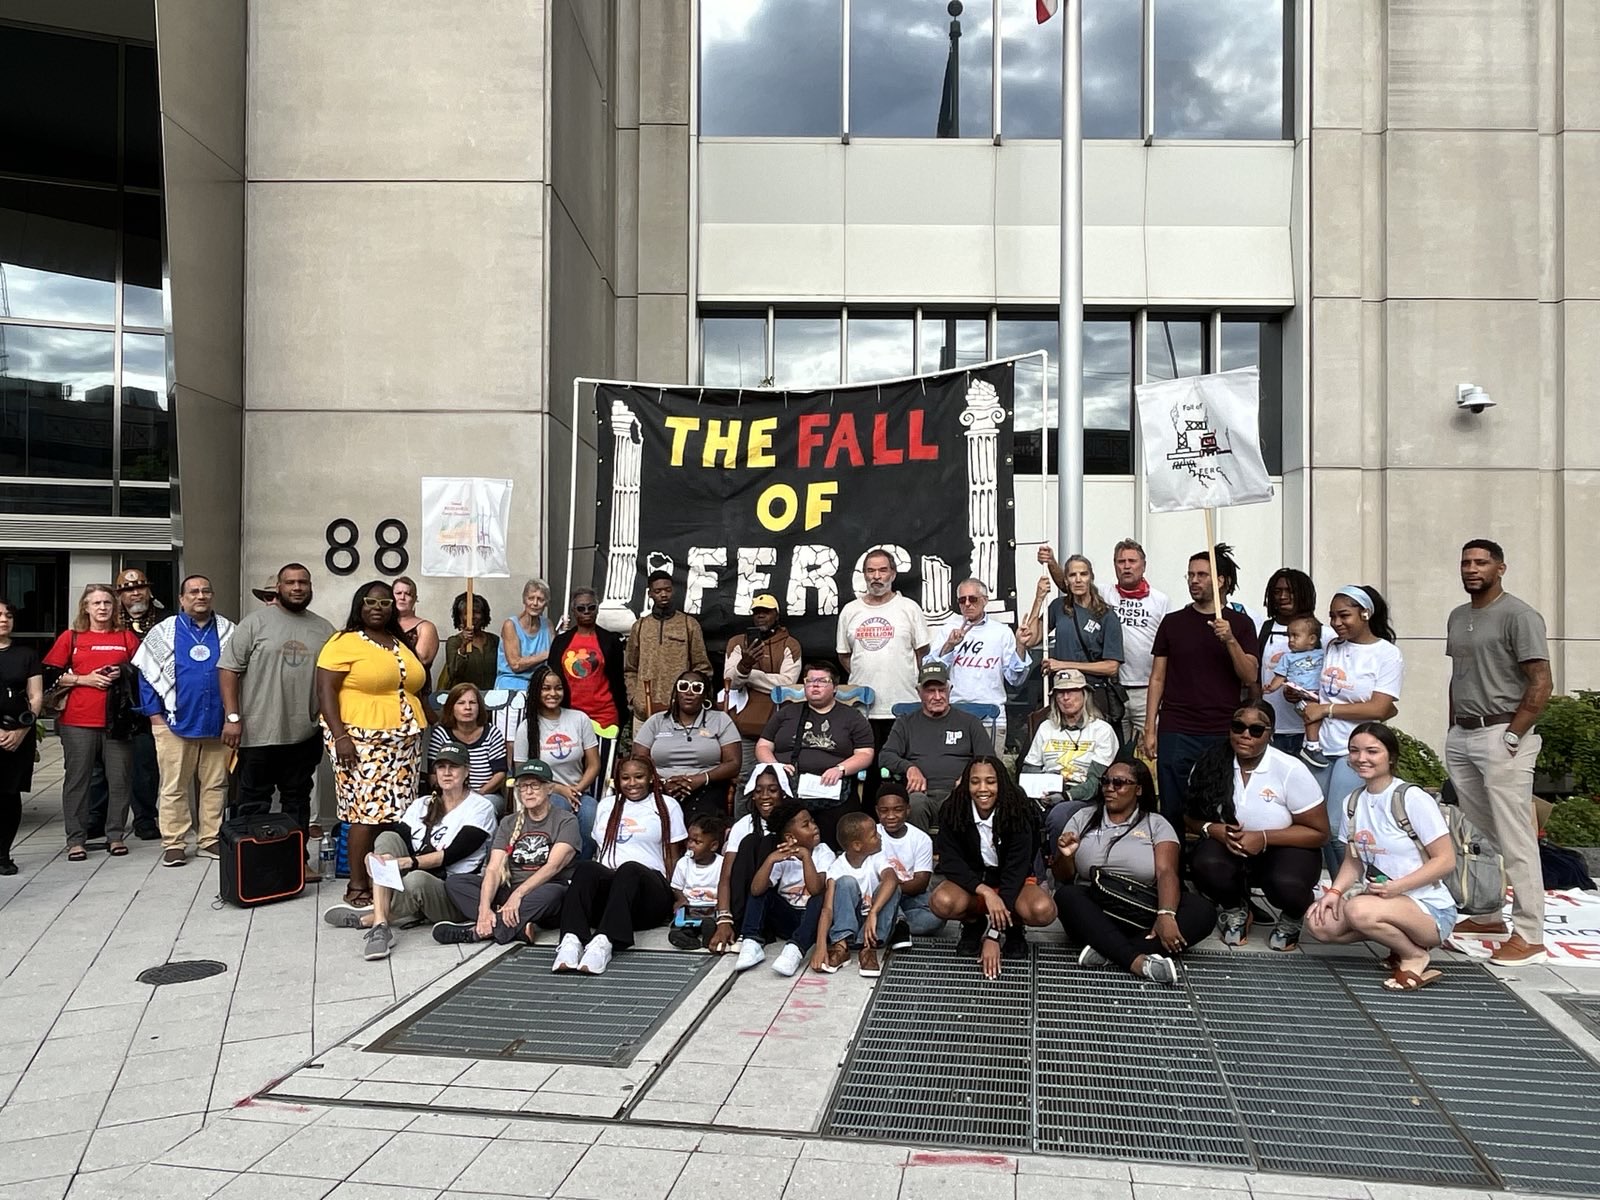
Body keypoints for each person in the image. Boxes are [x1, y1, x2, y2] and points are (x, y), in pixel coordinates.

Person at [1444, 539, 1552, 966]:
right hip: (1464, 734)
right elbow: (1459, 676)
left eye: (1481, 562)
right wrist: (1453, 727)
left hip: (1504, 733)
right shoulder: (1457, 615)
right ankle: (1489, 914)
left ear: (1500, 568)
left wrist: (1515, 733)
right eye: (1466, 562)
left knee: (1515, 834)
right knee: (1485, 830)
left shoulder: (1519, 615)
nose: (1472, 569)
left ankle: (1530, 933)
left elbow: (1541, 681)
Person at [1306, 722, 1458, 989]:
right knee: (1319, 923)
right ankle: (1397, 945)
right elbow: (1353, 860)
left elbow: (1446, 860)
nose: (1361, 758)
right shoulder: (1353, 802)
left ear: (1391, 756)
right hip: (1383, 900)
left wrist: (1397, 887)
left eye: (1372, 751)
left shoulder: (1411, 798)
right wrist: (1334, 893)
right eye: (1354, 751)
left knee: (1359, 909)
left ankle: (1415, 955)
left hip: (1429, 907)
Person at [322, 743, 497, 961]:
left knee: (416, 880)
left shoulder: (481, 807)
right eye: (441, 767)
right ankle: (380, 924)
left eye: (454, 767)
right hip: (414, 878)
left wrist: (405, 863)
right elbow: (397, 839)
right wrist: (375, 858)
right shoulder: (422, 803)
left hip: (451, 891)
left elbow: (452, 854)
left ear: (467, 771)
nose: (447, 773)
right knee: (386, 839)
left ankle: (374, 914)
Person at [316, 580, 432, 910]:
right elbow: (324, 692)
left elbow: (416, 683)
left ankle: (385, 882)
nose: (378, 608)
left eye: (385, 603)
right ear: (359, 605)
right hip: (360, 739)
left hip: (403, 742)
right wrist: (341, 737)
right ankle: (357, 883)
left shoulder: (399, 642)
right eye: (371, 602)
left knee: (393, 815)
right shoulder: (343, 642)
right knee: (365, 814)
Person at [1052, 759, 1215, 986]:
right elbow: (1063, 876)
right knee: (1066, 896)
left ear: (1138, 789)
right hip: (1096, 909)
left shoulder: (1156, 823)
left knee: (1202, 911)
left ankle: (1110, 953)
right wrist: (1066, 855)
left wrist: (1165, 914)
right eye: (1106, 782)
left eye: (1119, 783)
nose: (1110, 788)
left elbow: (1167, 872)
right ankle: (1138, 961)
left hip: (1140, 908)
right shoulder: (1083, 817)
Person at [1185, 702, 1329, 951]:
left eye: (1256, 729)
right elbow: (1189, 818)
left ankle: (1292, 917)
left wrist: (1263, 837)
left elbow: (1320, 833)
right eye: (1238, 726)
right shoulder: (1209, 764)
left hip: (1284, 850)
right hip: (1231, 848)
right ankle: (1236, 909)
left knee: (1287, 885)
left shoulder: (1290, 769)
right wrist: (1212, 829)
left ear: (1270, 733)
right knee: (1205, 861)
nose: (1245, 734)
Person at [1143, 544, 1261, 837]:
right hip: (1176, 727)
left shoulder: (1242, 625)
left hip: (1221, 729)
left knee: (1217, 803)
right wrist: (1150, 728)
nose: (1194, 580)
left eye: (1202, 575)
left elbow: (1250, 675)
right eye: (1191, 575)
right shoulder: (1173, 623)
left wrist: (1230, 640)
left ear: (1221, 580)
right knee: (1172, 806)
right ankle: (1172, 870)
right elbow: (1157, 678)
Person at [218, 563, 335, 856]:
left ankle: (296, 860)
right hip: (259, 733)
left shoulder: (324, 629)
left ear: (310, 587)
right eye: (290, 582)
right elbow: (228, 669)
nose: (297, 588)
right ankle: (254, 862)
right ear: (278, 588)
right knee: (254, 801)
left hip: (304, 733)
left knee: (297, 800)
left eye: (303, 583)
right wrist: (232, 717)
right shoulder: (254, 623)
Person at [1293, 585, 1403, 876]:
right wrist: (1302, 695)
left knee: (1336, 823)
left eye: (1344, 615)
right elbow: (1330, 694)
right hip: (1319, 746)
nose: (1337, 623)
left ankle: (1356, 885)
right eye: (1332, 616)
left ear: (1365, 613)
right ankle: (1339, 891)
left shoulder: (1386, 653)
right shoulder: (1332, 647)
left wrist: (1326, 710)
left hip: (1353, 750)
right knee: (1317, 827)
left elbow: (1380, 708)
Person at [134, 575, 236, 866]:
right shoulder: (163, 631)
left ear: (212, 595)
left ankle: (210, 839)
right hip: (172, 723)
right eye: (193, 592)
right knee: (173, 785)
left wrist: (233, 716)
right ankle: (175, 842)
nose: (200, 596)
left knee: (216, 785)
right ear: (181, 599)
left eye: (205, 591)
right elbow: (147, 675)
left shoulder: (229, 631)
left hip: (218, 723)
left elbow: (241, 674)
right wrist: (154, 716)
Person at [552, 756, 686, 975]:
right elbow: (599, 850)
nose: (632, 783)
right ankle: (571, 940)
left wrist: (678, 894)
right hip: (611, 900)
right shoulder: (606, 806)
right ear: (617, 780)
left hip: (648, 899)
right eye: (625, 778)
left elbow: (673, 857)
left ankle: (604, 942)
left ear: (651, 777)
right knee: (586, 868)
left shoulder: (667, 806)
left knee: (629, 869)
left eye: (639, 777)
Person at [930, 757, 1058, 979]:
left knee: (1042, 910)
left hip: (1013, 882)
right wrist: (985, 891)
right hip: (975, 883)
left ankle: (1013, 927)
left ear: (1002, 783)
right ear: (966, 784)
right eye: (975, 782)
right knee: (941, 901)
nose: (982, 789)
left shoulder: (1018, 809)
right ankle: (972, 923)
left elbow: (1016, 870)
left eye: (990, 781)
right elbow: (950, 862)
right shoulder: (953, 808)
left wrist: (993, 936)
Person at [433, 759, 580, 947]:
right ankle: (508, 924)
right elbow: (494, 869)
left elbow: (553, 866)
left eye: (535, 786)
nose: (528, 791)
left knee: (554, 893)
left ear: (549, 788)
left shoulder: (566, 821)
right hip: (508, 889)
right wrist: (484, 908)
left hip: (544, 890)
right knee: (456, 882)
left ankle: (476, 932)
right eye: (523, 786)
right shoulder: (508, 822)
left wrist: (517, 896)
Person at [42, 585, 142, 860]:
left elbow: (143, 672)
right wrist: (84, 679)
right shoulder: (71, 637)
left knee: (120, 780)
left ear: (114, 607)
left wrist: (121, 672)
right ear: (85, 608)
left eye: (107, 603)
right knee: (78, 780)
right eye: (95, 603)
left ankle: (115, 835)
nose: (102, 608)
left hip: (117, 722)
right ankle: (76, 839)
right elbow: (50, 674)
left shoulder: (126, 637)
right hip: (78, 721)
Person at [836, 548, 931, 791]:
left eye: (882, 570)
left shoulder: (909, 608)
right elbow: (844, 655)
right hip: (862, 709)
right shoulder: (850, 611)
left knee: (901, 775)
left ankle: (901, 826)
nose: (876, 576)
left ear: (893, 574)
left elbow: (922, 654)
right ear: (864, 575)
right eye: (871, 571)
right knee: (866, 777)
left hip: (902, 706)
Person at [755, 660, 876, 849]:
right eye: (810, 681)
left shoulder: (852, 717)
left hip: (833, 786)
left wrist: (841, 769)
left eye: (822, 681)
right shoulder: (787, 713)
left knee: (841, 819)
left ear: (835, 687)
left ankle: (830, 861)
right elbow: (763, 746)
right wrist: (776, 767)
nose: (815, 685)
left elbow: (866, 753)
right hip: (790, 784)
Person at [879, 661, 994, 832]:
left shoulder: (970, 722)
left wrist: (970, 776)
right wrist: (909, 768)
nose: (938, 696)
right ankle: (920, 856)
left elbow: (989, 760)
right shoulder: (906, 723)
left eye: (942, 690)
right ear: (919, 693)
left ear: (950, 689)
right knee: (915, 804)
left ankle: (955, 857)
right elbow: (885, 756)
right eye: (930, 691)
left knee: (961, 804)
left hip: (959, 792)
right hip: (921, 794)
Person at [1022, 554, 1124, 738]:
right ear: (1066, 580)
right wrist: (1038, 599)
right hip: (1062, 690)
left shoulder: (1107, 615)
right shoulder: (1058, 607)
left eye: (1083, 574)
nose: (1078, 580)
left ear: (1091, 577)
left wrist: (1063, 664)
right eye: (1072, 575)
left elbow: (1111, 667)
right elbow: (1030, 639)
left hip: (1092, 691)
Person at [97, 567, 164, 840]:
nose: (135, 592)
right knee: (102, 765)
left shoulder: (166, 621)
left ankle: (145, 818)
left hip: (153, 703)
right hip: (112, 703)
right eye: (127, 589)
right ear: (119, 595)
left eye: (140, 587)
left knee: (146, 766)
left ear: (149, 590)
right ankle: (96, 819)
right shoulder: (108, 623)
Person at [732, 800, 833, 976]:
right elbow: (756, 890)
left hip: (811, 921)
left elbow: (816, 889)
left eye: (813, 821)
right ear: (790, 838)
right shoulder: (783, 856)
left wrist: (806, 857)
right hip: (787, 919)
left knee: (820, 899)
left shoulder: (823, 852)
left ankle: (794, 950)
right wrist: (771, 860)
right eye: (806, 825)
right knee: (764, 892)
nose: (814, 827)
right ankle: (751, 943)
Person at [931, 578, 1029, 748]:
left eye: (973, 599)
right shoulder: (947, 629)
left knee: (989, 770)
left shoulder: (1002, 632)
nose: (967, 604)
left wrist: (1020, 645)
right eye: (962, 600)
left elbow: (1015, 679)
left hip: (991, 717)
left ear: (985, 600)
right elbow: (931, 673)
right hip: (954, 715)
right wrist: (949, 646)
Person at [1023, 670, 1121, 841]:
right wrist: (1039, 791)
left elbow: (1096, 782)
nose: (1065, 697)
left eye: (1071, 691)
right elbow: (1029, 769)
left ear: (1085, 694)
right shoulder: (1046, 727)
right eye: (1060, 693)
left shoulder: (1102, 730)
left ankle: (1057, 865)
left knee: (1059, 815)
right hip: (1044, 793)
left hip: (1083, 797)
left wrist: (1066, 796)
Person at [632, 669, 741, 822]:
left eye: (697, 688)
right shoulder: (656, 721)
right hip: (660, 785)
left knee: (703, 819)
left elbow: (734, 764)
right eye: (683, 687)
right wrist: (662, 783)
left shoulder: (720, 720)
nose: (689, 692)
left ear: (705, 696)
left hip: (707, 785)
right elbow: (638, 761)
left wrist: (700, 779)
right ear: (676, 693)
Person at [513, 664, 601, 852]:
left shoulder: (579, 719)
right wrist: (559, 789)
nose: (553, 693)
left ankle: (580, 869)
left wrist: (576, 790)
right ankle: (557, 866)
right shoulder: (526, 727)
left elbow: (594, 764)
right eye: (546, 688)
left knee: (591, 811)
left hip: (578, 792)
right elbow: (521, 773)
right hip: (542, 794)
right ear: (536, 691)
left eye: (558, 687)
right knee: (559, 808)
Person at [708, 764, 791, 953]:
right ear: (752, 795)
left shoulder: (793, 824)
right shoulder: (743, 825)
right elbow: (726, 876)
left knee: (766, 840)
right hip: (745, 904)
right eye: (758, 791)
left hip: (779, 905)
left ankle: (753, 930)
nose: (765, 796)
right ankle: (736, 926)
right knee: (752, 840)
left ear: (783, 793)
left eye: (772, 790)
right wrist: (724, 919)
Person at [1096, 539, 1171, 748]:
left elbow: (1167, 645)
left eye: (1132, 561)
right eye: (1121, 561)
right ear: (1114, 566)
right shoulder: (1103, 594)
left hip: (1147, 690)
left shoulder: (1160, 600)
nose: (1126, 566)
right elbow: (1069, 586)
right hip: (1112, 690)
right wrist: (1052, 562)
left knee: (1151, 751)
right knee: (1112, 751)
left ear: (1143, 565)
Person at [549, 586, 627, 782]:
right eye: (581, 608)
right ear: (573, 611)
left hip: (604, 715)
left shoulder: (610, 641)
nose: (586, 613)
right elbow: (551, 677)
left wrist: (623, 713)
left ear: (597, 609)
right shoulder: (561, 642)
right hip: (569, 714)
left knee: (601, 772)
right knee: (571, 769)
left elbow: (618, 680)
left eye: (591, 608)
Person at [722, 593, 802, 783]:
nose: (760, 616)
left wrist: (746, 672)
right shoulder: (737, 643)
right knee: (743, 780)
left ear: (777, 615)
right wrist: (744, 666)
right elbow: (729, 681)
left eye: (766, 612)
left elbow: (787, 685)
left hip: (779, 728)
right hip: (744, 727)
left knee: (779, 779)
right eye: (757, 612)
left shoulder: (790, 644)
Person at [813, 811, 899, 977]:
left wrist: (873, 912)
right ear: (857, 845)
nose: (880, 836)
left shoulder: (877, 857)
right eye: (874, 835)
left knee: (893, 887)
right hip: (850, 924)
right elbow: (827, 910)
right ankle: (841, 946)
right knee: (846, 882)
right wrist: (820, 946)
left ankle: (868, 949)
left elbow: (892, 879)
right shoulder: (836, 868)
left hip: (874, 927)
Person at [624, 571, 711, 721]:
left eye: (667, 590)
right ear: (650, 593)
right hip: (644, 712)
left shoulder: (688, 624)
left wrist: (693, 699)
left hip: (680, 712)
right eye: (658, 591)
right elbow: (630, 668)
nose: (663, 594)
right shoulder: (640, 626)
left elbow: (702, 667)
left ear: (673, 590)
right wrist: (634, 699)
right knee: (642, 746)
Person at [0, 597, 43, 876]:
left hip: (19, 733)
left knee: (9, 795)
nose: (4, 619)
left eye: (8, 615)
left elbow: (35, 696)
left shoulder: (27, 654)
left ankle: (3, 854)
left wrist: (22, 730)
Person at [1257, 568, 1321, 755]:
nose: (1283, 596)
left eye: (1290, 591)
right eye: (1277, 591)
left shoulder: (1324, 634)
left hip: (1312, 729)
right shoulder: (1262, 630)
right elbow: (1254, 679)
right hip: (1273, 727)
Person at [426, 683, 509, 803]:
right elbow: (433, 774)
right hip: (448, 795)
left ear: (479, 707)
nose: (467, 707)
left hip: (485, 795)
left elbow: (500, 774)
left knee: (484, 808)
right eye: (461, 703)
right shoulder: (441, 733)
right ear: (451, 707)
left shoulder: (492, 733)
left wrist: (476, 796)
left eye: (472, 703)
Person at [1263, 614, 1327, 760]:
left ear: (1312, 639)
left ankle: (1314, 744)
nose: (1290, 640)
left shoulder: (1323, 654)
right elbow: (1280, 677)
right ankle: (1312, 746)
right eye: (1288, 636)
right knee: (1312, 713)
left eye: (1295, 636)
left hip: (1321, 695)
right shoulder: (1288, 657)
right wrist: (1271, 688)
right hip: (1302, 695)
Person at [668, 812, 729, 950]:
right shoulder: (683, 863)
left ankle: (709, 935)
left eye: (697, 842)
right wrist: (681, 899)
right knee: (681, 922)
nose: (691, 845)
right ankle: (685, 937)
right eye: (689, 840)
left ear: (713, 846)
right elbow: (676, 887)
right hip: (690, 907)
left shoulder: (721, 864)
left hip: (711, 907)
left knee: (712, 921)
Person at [495, 578, 554, 693]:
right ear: (524, 600)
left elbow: (554, 657)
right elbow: (515, 665)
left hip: (539, 685)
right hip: (511, 685)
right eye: (531, 598)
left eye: (540, 599)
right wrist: (546, 655)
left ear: (546, 603)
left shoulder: (548, 625)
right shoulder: (510, 625)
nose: (535, 603)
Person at [437, 592, 498, 692]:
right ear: (460, 618)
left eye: (477, 612)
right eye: (466, 613)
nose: (472, 617)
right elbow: (454, 672)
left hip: (490, 698)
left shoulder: (494, 640)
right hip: (464, 698)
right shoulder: (454, 642)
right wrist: (463, 648)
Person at [391, 576, 439, 670]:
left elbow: (422, 659)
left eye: (408, 594)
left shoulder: (426, 627)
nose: (402, 597)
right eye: (398, 593)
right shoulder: (384, 625)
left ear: (414, 599)